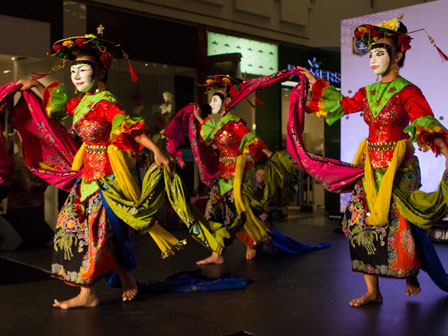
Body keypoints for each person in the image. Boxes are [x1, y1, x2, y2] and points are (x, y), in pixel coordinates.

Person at [297, 16, 448, 307]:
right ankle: (372, 290)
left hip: (399, 169)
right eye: (371, 53)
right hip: (371, 169)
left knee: (404, 226)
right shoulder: (367, 93)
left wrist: (444, 148)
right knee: (358, 224)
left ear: (398, 55)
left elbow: (424, 122)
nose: (373, 59)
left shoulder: (408, 91)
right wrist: (315, 82)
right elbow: (341, 105)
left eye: (380, 52)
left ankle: (414, 273)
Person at [16, 31, 172, 309]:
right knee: (75, 231)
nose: (76, 75)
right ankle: (96, 289)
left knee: (102, 234)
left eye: (83, 69)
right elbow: (57, 107)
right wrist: (35, 86)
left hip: (109, 177)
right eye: (73, 70)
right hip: (86, 176)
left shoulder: (105, 102)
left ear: (99, 73)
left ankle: (112, 283)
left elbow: (130, 129)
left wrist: (156, 149)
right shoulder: (79, 102)